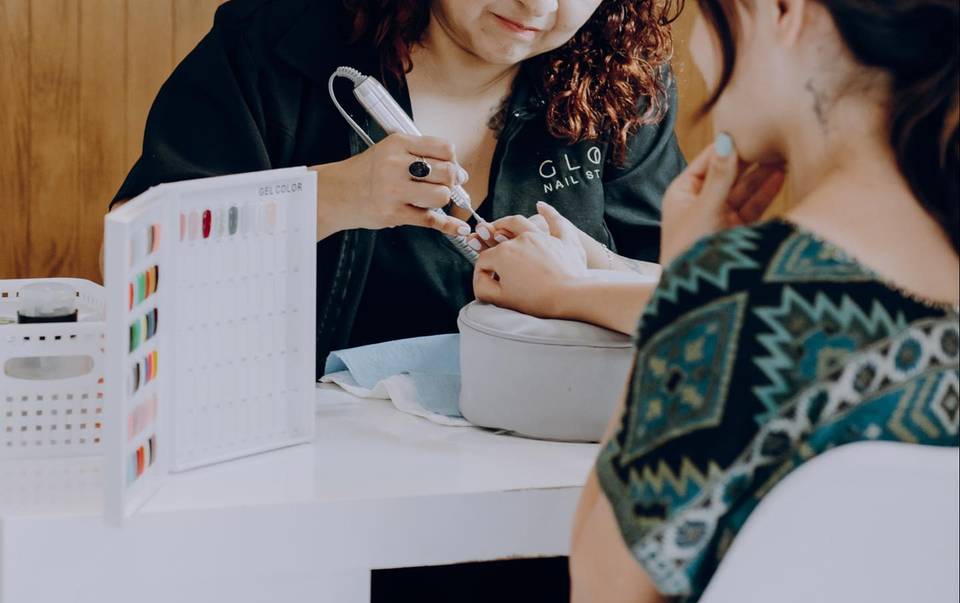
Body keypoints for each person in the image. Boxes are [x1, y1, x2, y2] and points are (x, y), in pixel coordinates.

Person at [474, 0, 959, 603]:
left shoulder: (744, 296)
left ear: (783, 12)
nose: (698, 49)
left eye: (707, 16)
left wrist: (685, 292)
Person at [111, 0, 685, 372]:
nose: (536, 4)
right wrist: (333, 198)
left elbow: (681, 296)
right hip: (302, 453)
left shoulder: (624, 85)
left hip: (537, 455)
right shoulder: (274, 44)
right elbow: (140, 262)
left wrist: (584, 277)